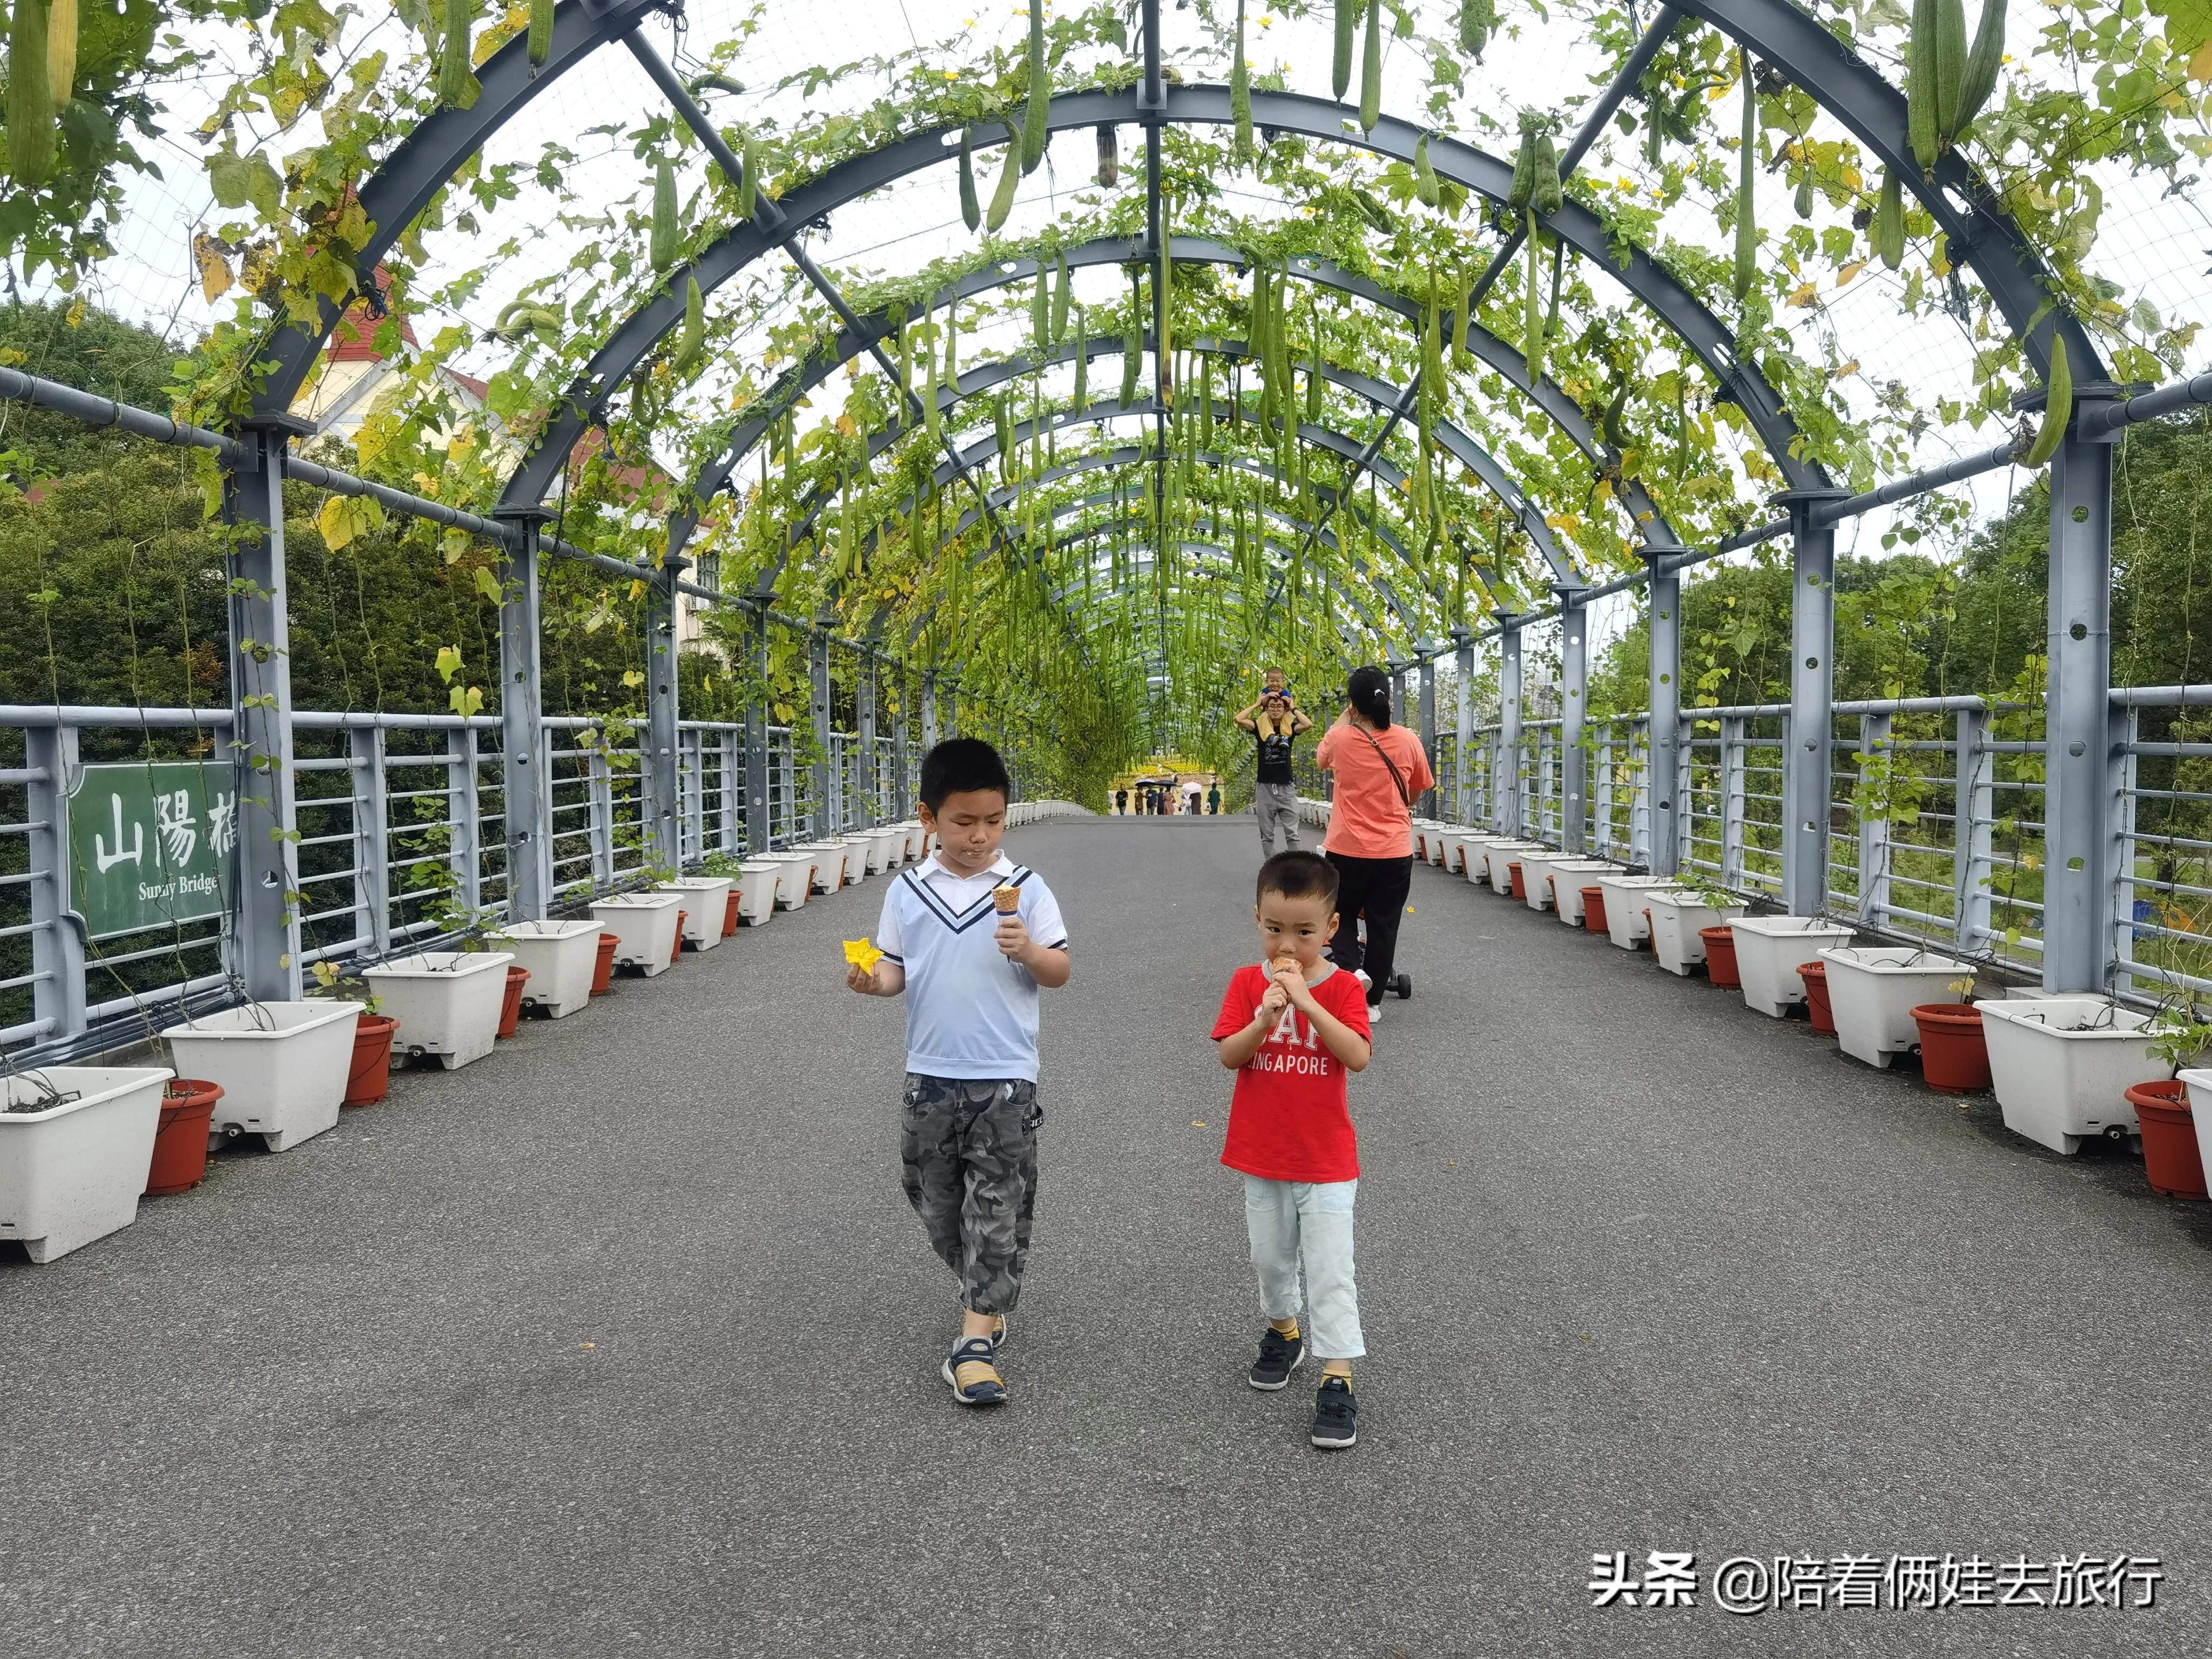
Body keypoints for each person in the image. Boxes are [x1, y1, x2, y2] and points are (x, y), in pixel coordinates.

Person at [846, 738, 1072, 1407]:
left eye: (993, 821)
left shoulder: (1026, 890)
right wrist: (871, 980)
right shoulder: (908, 892)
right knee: (933, 1197)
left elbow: (1059, 971)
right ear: (928, 818)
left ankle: (974, 1342)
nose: (979, 836)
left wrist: (1029, 950)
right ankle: (984, 1287)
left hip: (1005, 1077)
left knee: (997, 1204)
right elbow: (894, 971)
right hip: (930, 1074)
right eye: (963, 822)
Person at [1211, 850, 1373, 1450]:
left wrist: (1306, 1002)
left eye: (1304, 932)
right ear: (1257, 919)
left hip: (1327, 1160)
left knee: (1332, 1270)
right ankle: (1283, 1330)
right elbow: (1230, 1054)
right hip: (1262, 1153)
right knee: (1270, 1259)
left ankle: (1338, 1376)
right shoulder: (1245, 983)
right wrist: (1264, 1017)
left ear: (1331, 930)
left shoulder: (1343, 989)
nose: (1289, 944)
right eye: (1275, 928)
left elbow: (1356, 1056)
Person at [1314, 666, 1433, 1026]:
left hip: (1346, 848)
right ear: (1388, 699)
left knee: (1342, 913)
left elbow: (1322, 757)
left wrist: (1343, 718)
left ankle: (1349, 970)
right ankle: (1372, 1002)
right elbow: (1418, 788)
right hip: (1394, 852)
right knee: (1384, 924)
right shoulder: (1408, 740)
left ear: (1353, 704)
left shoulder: (1340, 739)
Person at [1235, 683, 1314, 857]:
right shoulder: (1259, 727)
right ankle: (1272, 869)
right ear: (1267, 709)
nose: (1276, 709)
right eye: (1272, 706)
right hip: (1265, 789)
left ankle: (1295, 867)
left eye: (1279, 706)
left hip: (1287, 789)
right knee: (1267, 835)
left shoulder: (1290, 728)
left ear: (1284, 709)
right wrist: (1257, 704)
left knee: (1293, 834)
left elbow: (1308, 724)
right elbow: (1239, 719)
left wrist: (1293, 707)